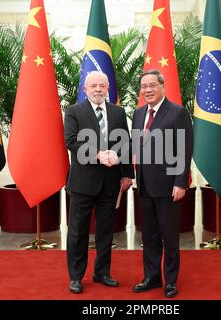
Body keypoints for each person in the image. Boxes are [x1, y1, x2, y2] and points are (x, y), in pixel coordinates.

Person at [64, 71, 133, 294]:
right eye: (93, 86)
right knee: (77, 232)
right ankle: (76, 276)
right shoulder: (74, 111)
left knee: (106, 232)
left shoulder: (118, 112)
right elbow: (71, 141)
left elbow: (125, 143)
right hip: (83, 183)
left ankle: (102, 272)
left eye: (102, 86)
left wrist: (127, 174)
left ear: (107, 89)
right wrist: (97, 155)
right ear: (85, 90)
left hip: (111, 183)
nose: (98, 90)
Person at [131, 69, 193, 298]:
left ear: (162, 87)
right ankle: (152, 277)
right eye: (144, 86)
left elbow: (184, 150)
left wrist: (180, 183)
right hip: (145, 185)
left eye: (152, 85)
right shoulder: (138, 114)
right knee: (149, 236)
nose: (147, 90)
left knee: (169, 236)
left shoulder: (177, 113)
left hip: (168, 186)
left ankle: (171, 281)